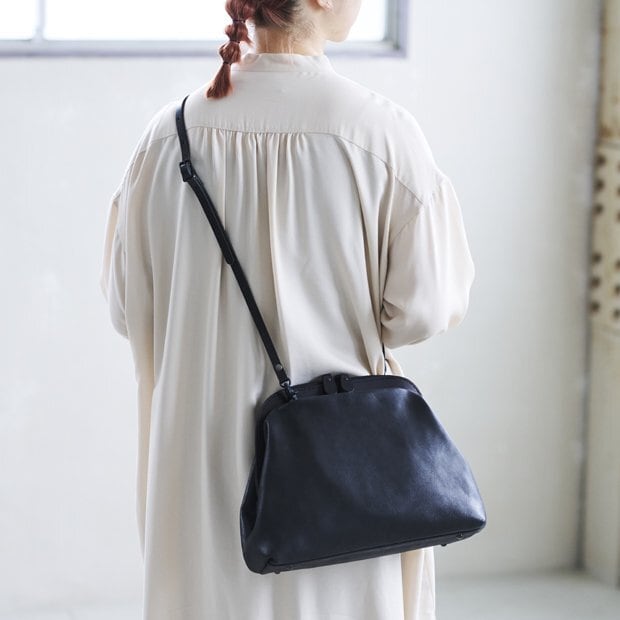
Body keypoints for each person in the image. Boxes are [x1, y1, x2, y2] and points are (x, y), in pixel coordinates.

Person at [99, 0, 475, 618]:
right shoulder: (379, 133)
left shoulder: (167, 136)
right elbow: (425, 309)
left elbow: (128, 308)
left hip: (196, 461)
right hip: (341, 468)